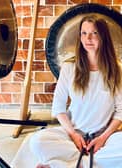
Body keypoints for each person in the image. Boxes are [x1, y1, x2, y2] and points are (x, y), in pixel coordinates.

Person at [29, 15, 122, 168]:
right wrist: (73, 134)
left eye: (94, 33)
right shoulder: (69, 67)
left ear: (103, 36)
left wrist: (103, 138)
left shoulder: (117, 69)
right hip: (73, 134)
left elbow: (120, 111)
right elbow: (58, 108)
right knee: (37, 142)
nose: (88, 38)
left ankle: (67, 164)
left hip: (103, 137)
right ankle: (87, 163)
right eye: (84, 33)